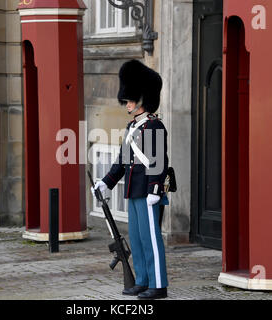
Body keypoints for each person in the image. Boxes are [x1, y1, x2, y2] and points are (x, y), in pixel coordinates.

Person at [91, 60, 169, 299]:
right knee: (136, 239)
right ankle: (143, 280)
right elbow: (122, 162)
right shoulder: (132, 128)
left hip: (148, 192)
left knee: (151, 239)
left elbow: (158, 162)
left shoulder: (154, 126)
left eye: (131, 99)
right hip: (134, 191)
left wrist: (155, 190)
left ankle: (158, 283)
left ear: (143, 98)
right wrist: (106, 181)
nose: (128, 103)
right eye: (127, 99)